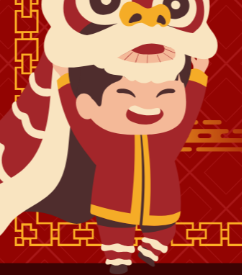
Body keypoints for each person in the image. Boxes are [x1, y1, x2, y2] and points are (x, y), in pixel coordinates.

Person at [53, 55, 210, 271]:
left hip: (163, 199)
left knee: (164, 230)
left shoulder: (170, 136)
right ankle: (118, 259)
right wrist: (63, 78)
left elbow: (189, 110)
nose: (148, 105)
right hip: (112, 200)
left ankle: (151, 249)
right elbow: (76, 118)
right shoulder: (100, 139)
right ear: (88, 105)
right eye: (125, 93)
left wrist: (198, 73)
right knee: (114, 233)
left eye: (166, 92)